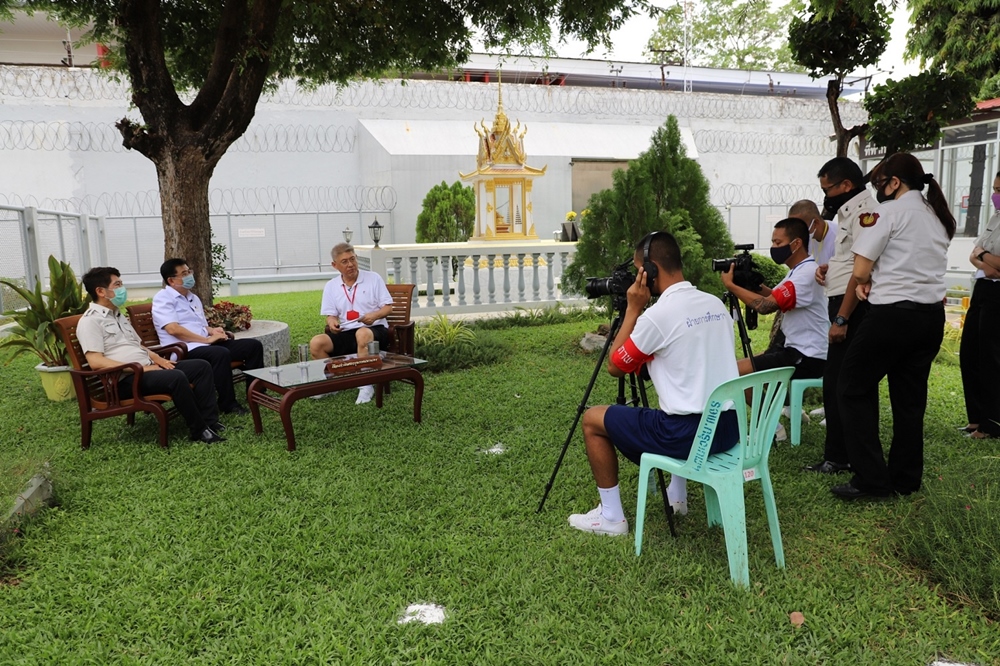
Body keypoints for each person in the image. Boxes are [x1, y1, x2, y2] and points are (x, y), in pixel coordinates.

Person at [568, 232, 739, 536]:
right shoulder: (715, 304)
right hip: (728, 429)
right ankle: (678, 494)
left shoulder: (658, 316)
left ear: (651, 269)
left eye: (639, 271)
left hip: (686, 436)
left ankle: (611, 517)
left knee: (593, 419)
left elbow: (615, 367)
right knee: (677, 401)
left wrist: (633, 310)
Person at [833, 153, 954, 500]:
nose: (878, 189)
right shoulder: (936, 215)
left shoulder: (888, 212)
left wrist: (866, 282)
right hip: (930, 317)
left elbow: (860, 269)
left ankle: (871, 480)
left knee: (851, 388)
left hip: (891, 317)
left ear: (895, 182)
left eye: (879, 183)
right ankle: (904, 479)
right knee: (909, 401)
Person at [77, 267, 225, 444]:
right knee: (176, 377)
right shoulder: (90, 321)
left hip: (145, 370)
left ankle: (210, 422)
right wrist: (142, 369)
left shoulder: (117, 315)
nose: (122, 288)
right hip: (123, 380)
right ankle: (199, 430)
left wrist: (159, 360)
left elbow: (138, 346)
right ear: (100, 291)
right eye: (117, 285)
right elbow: (95, 361)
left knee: (201, 367)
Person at [806, 157, 878, 474]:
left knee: (842, 382)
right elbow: (848, 261)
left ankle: (841, 456)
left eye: (828, 189)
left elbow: (861, 272)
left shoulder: (865, 214)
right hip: (841, 302)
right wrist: (829, 267)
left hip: (852, 307)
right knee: (840, 381)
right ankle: (842, 454)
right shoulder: (850, 211)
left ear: (846, 185)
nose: (826, 197)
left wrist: (842, 318)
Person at [152, 258, 264, 415]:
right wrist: (206, 339)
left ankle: (256, 394)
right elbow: (173, 329)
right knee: (220, 353)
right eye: (184, 273)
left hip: (206, 345)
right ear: (171, 280)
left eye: (189, 271)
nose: (189, 276)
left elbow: (200, 325)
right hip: (184, 350)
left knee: (253, 346)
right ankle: (228, 404)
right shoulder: (163, 298)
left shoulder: (192, 297)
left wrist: (212, 331)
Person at [721, 217, 828, 381]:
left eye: (778, 243)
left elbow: (765, 306)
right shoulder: (799, 270)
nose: (774, 248)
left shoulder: (805, 274)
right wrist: (751, 283)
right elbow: (773, 295)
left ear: (796, 243)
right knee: (738, 368)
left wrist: (730, 285)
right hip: (795, 349)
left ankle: (768, 400)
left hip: (807, 356)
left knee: (735, 373)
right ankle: (768, 399)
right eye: (772, 242)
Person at [309, 243, 394, 404]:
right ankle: (334, 383)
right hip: (347, 331)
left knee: (362, 333)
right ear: (335, 265)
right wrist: (332, 323)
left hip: (374, 329)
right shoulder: (331, 286)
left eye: (352, 259)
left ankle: (366, 385)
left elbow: (388, 307)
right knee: (316, 343)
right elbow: (331, 315)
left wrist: (374, 316)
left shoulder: (373, 278)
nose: (350, 265)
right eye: (344, 261)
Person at [959, 171, 1000, 440]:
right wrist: (987, 262)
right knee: (970, 353)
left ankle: (991, 424)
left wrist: (983, 256)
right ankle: (975, 419)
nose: (996, 195)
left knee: (991, 358)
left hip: (998, 294)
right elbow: (972, 255)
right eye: (995, 189)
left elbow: (981, 254)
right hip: (983, 287)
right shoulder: (995, 217)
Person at [789, 199, 838, 269]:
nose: (797, 232)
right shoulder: (807, 238)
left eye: (800, 227)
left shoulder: (838, 238)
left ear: (815, 223)